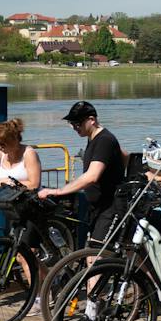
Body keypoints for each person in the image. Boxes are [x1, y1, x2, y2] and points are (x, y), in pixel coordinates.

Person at [38, 100, 125, 241]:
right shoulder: (94, 138)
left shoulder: (105, 140)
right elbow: (123, 154)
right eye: (72, 124)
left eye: (77, 123)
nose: (74, 127)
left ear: (92, 120)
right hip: (97, 206)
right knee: (94, 253)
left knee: (95, 256)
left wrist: (58, 191)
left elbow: (92, 176)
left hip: (110, 207)